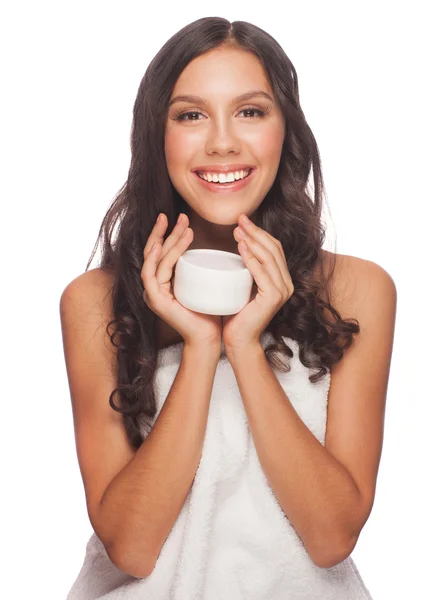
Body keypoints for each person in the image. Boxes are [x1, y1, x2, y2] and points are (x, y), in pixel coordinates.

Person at [60, 16, 397, 600]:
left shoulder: (358, 289)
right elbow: (132, 548)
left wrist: (244, 345)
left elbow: (332, 536)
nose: (222, 142)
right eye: (191, 114)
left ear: (284, 130)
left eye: (250, 111)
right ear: (155, 135)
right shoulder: (94, 301)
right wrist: (201, 346)